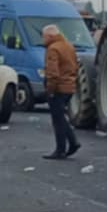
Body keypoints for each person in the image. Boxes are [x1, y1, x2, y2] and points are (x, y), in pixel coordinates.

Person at [40, 24, 82, 161]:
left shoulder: (53, 49)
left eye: (44, 36)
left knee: (58, 120)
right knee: (61, 117)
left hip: (58, 88)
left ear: (50, 36)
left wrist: (50, 90)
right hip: (69, 87)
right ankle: (70, 144)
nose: (42, 39)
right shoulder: (69, 46)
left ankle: (62, 148)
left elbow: (52, 73)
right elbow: (76, 66)